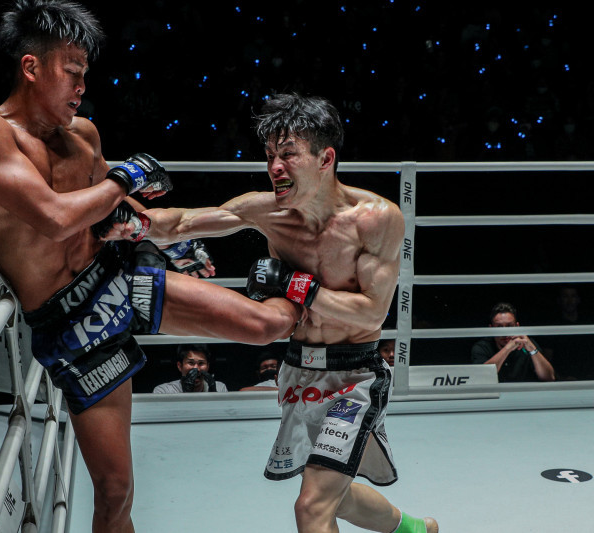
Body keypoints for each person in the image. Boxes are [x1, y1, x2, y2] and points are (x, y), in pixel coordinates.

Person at [0, 2, 301, 531]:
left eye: (84, 74)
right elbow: (54, 217)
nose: (81, 87)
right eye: (71, 71)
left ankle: (321, 306)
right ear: (31, 67)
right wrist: (126, 176)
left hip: (116, 276)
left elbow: (115, 209)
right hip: (73, 325)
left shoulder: (84, 135)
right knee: (115, 492)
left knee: (265, 325)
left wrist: (166, 240)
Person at [103, 93, 436, 532]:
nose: (275, 167)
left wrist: (296, 285)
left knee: (311, 506)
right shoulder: (267, 211)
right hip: (298, 370)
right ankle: (414, 529)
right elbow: (182, 222)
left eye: (289, 154)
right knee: (331, 493)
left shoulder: (375, 218)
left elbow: (371, 314)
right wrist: (136, 225)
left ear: (325, 158)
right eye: (270, 156)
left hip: (355, 375)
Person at [470, 302, 555, 382]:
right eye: (499, 327)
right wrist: (508, 348)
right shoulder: (482, 347)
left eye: (509, 326)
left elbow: (549, 377)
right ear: (491, 328)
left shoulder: (527, 343)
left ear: (517, 326)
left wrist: (532, 349)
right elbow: (481, 378)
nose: (505, 332)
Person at [152, 344, 228, 393]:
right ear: (180, 366)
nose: (196, 369)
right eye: (191, 363)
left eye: (201, 363)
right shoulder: (164, 391)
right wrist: (186, 395)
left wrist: (214, 398)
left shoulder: (220, 388)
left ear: (208, 366)